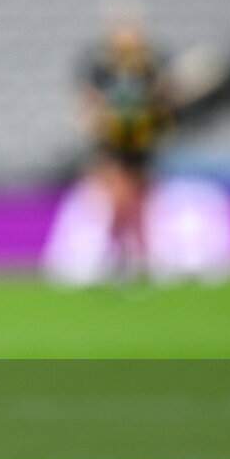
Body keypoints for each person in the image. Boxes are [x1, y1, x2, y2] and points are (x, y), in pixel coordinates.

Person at [79, 19, 172, 277]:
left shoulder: (150, 68)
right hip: (114, 145)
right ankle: (120, 258)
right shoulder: (102, 69)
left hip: (141, 146)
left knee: (138, 205)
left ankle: (136, 260)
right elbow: (90, 107)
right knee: (120, 202)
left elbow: (163, 104)